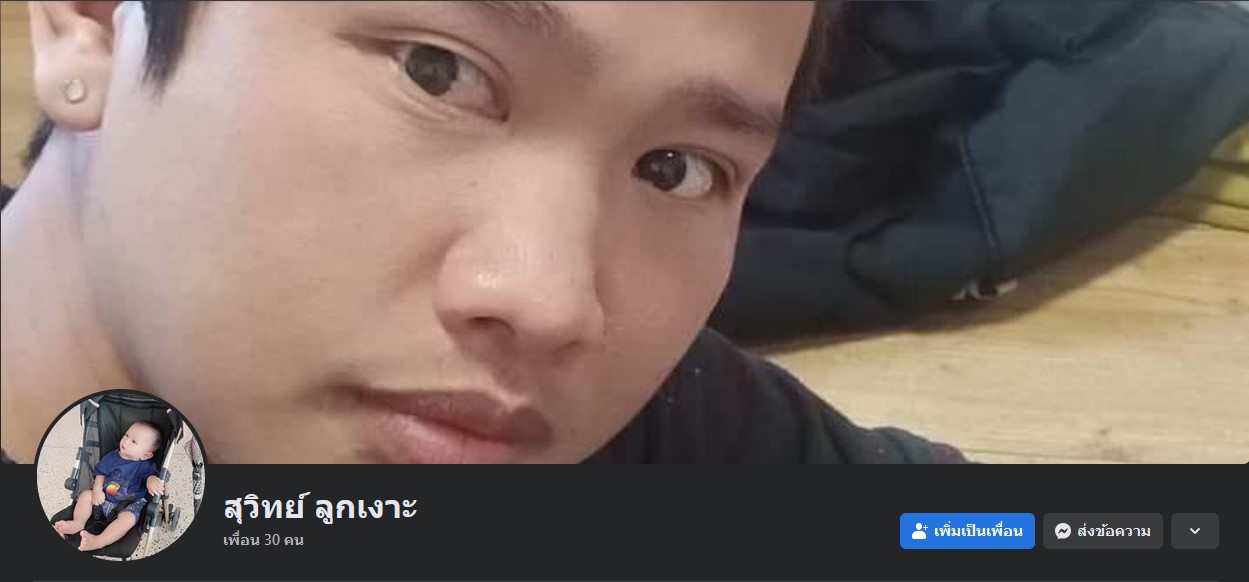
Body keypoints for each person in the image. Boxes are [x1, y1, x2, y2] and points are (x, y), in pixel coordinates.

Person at [1, 1, 964, 463]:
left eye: (676, 168)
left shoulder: (674, 436)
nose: (552, 304)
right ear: (95, 21)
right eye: (437, 72)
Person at [52, 420, 166, 551]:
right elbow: (101, 474)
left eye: (133, 442)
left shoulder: (145, 466)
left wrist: (152, 480)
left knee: (129, 518)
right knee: (86, 495)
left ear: (145, 455)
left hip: (129, 504)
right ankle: (78, 522)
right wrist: (97, 490)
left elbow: (150, 476)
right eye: (126, 435)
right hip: (104, 498)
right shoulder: (111, 457)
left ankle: (100, 540)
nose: (126, 441)